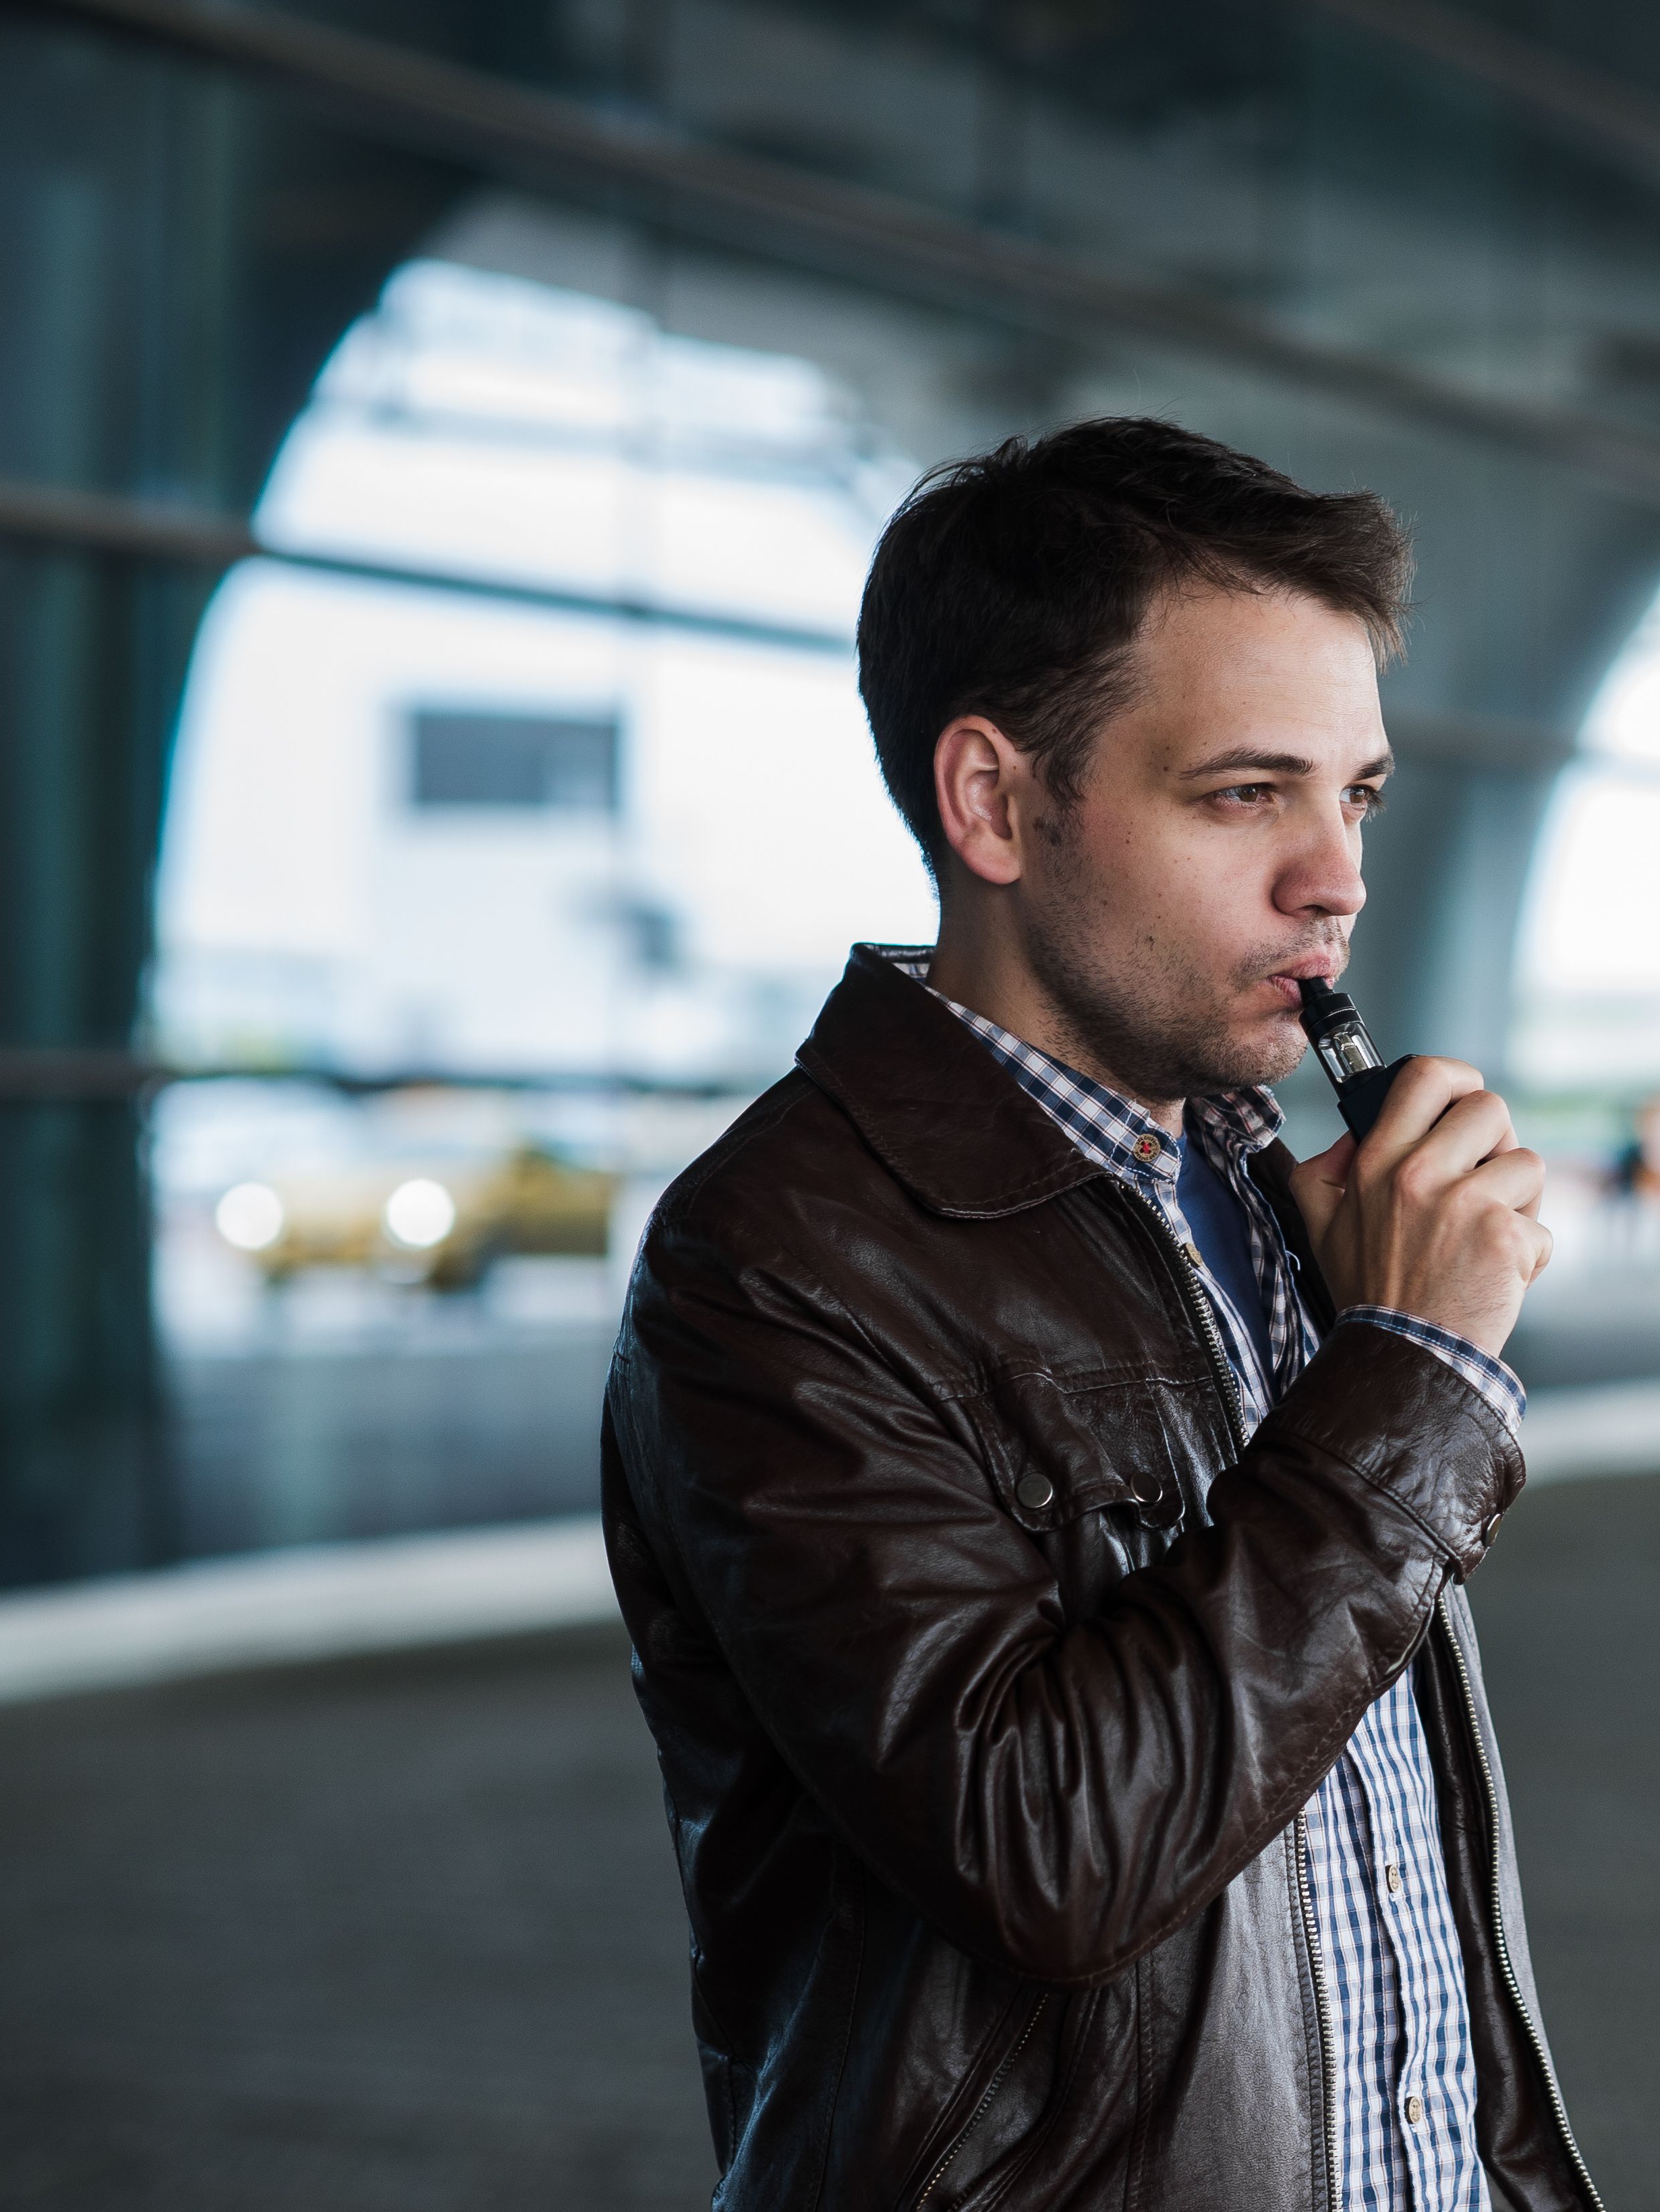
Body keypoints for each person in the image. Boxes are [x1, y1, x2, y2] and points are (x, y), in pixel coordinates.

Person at [601, 418, 1601, 2212]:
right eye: (1245, 795)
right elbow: (1048, 1852)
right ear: (995, 802)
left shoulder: (1256, 1189)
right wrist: (1413, 1378)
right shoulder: (781, 1262)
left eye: (1354, 794)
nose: (1336, 877)